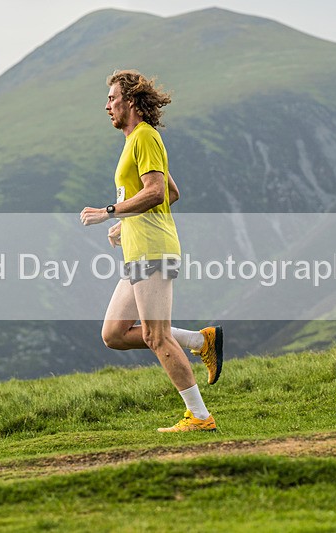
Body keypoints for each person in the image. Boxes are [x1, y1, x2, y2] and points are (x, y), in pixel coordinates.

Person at [80, 69, 223, 432]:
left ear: (130, 101)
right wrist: (126, 221)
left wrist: (108, 212)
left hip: (152, 251)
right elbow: (171, 192)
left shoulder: (144, 137)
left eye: (112, 98)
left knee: (154, 336)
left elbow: (157, 192)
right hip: (138, 248)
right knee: (113, 334)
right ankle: (198, 340)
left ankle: (200, 418)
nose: (106, 105)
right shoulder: (135, 141)